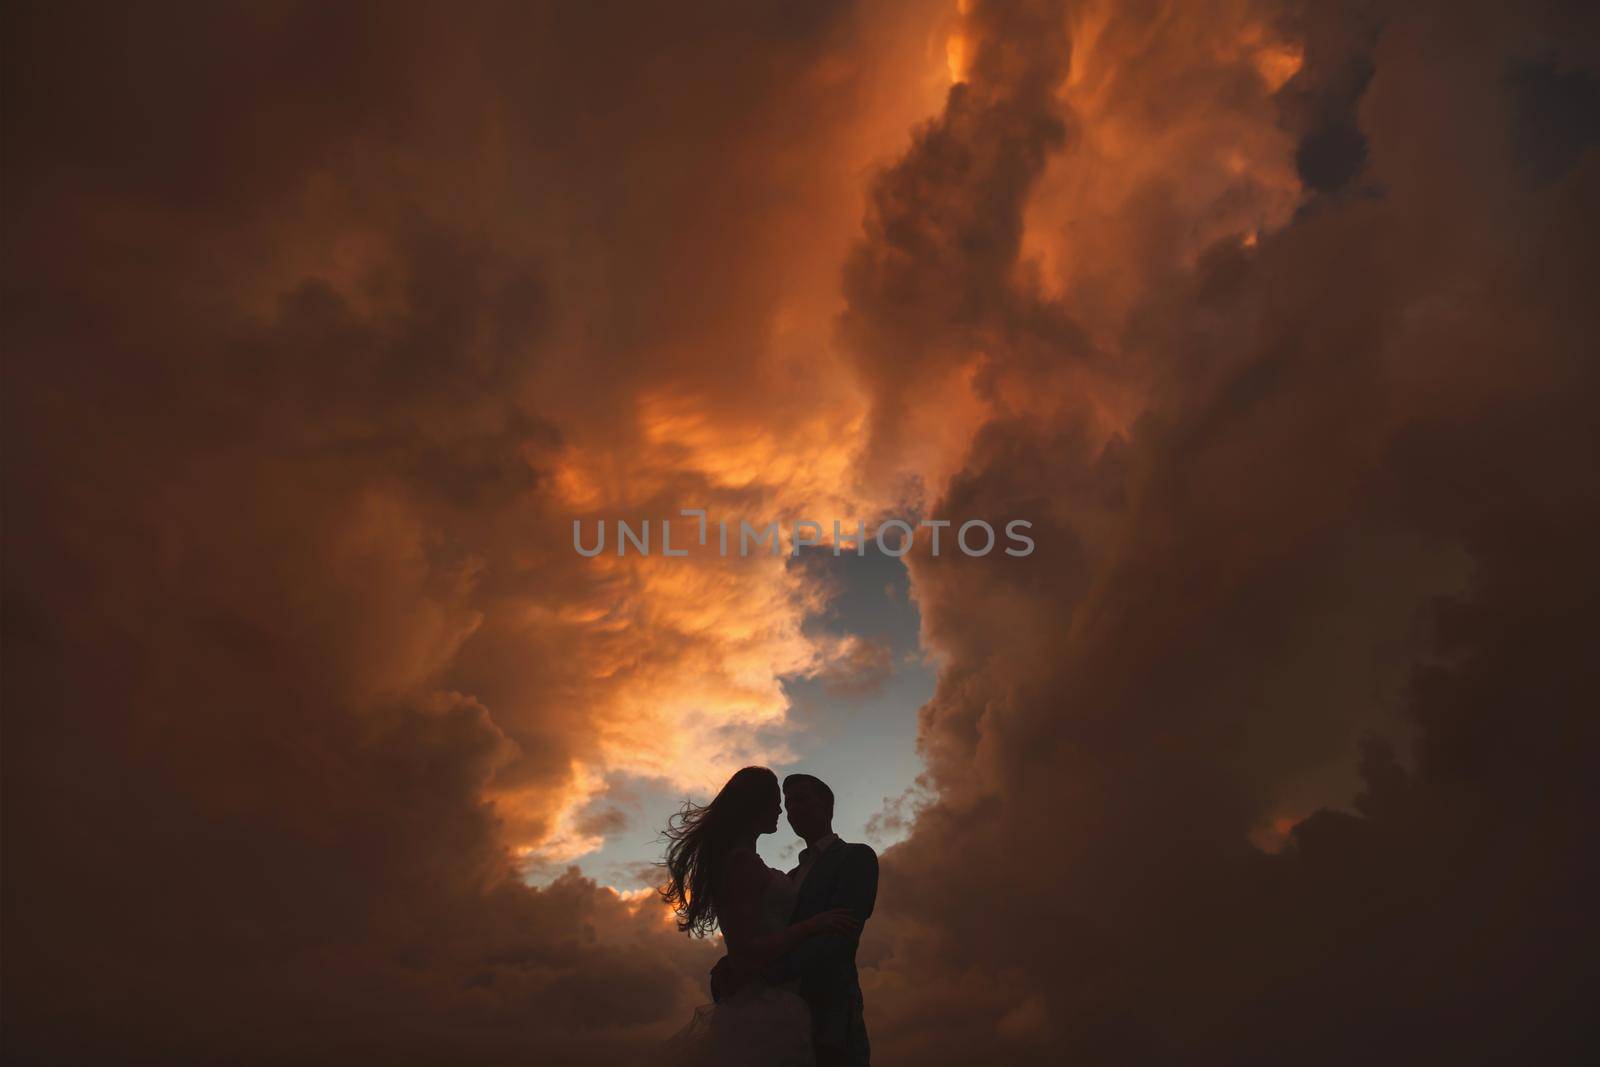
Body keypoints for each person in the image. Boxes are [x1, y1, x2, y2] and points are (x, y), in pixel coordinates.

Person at [657, 766, 859, 1066]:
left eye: (794, 802)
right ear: (754, 806)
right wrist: (811, 926)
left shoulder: (759, 864)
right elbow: (745, 952)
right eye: (778, 802)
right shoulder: (741, 863)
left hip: (782, 1002)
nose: (782, 810)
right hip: (762, 1008)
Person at [711, 773, 879, 1067]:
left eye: (802, 800)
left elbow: (840, 938)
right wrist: (734, 963)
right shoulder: (789, 877)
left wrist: (761, 974)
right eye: (787, 805)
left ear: (827, 805)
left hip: (830, 1017)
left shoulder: (856, 857)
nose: (792, 811)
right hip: (776, 1016)